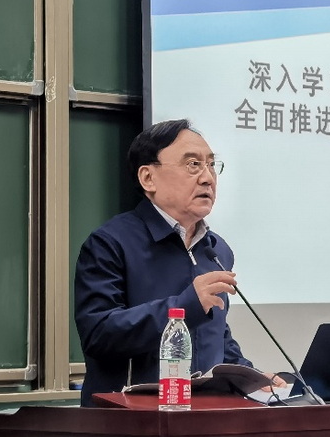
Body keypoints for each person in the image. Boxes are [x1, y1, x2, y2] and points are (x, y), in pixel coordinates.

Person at [74, 118, 255, 407]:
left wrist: (253, 377)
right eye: (193, 164)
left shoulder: (216, 250)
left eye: (211, 165)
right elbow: (99, 334)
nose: (208, 178)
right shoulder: (110, 243)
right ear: (148, 178)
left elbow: (216, 339)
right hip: (130, 418)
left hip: (203, 417)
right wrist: (185, 307)